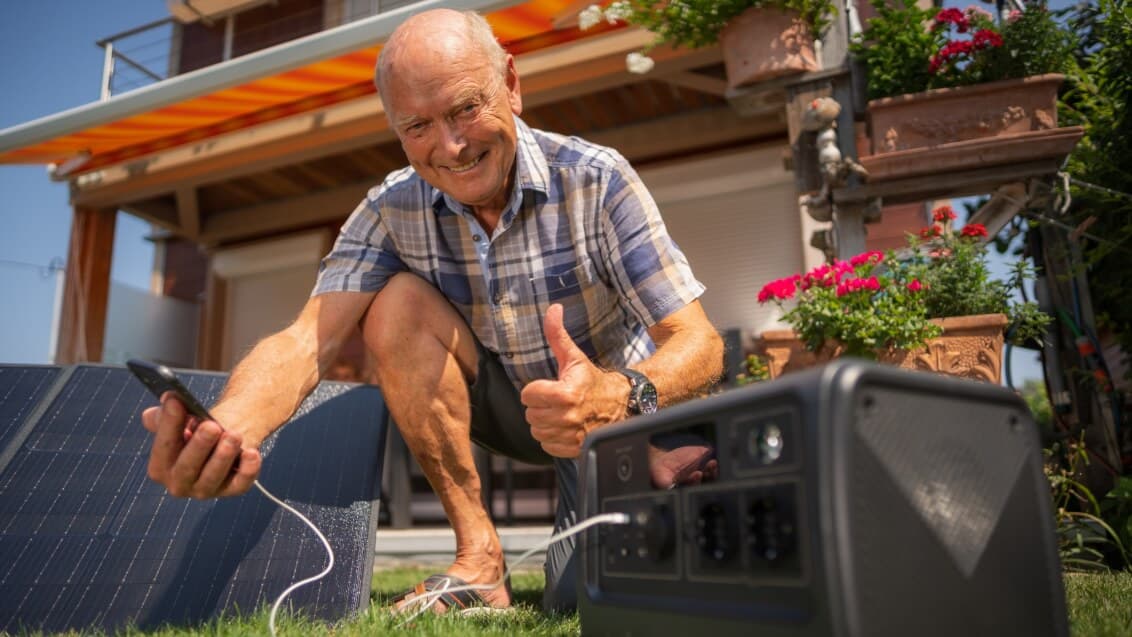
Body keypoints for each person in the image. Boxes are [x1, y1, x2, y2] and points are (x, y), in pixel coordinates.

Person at [140, 8, 723, 614]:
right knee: (394, 305)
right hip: (507, 411)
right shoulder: (389, 211)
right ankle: (479, 560)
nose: (451, 147)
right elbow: (305, 341)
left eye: (466, 108)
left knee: (587, 599)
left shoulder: (596, 180)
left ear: (511, 85)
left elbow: (699, 342)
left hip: (614, 417)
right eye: (418, 125)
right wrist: (230, 425)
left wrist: (619, 396)